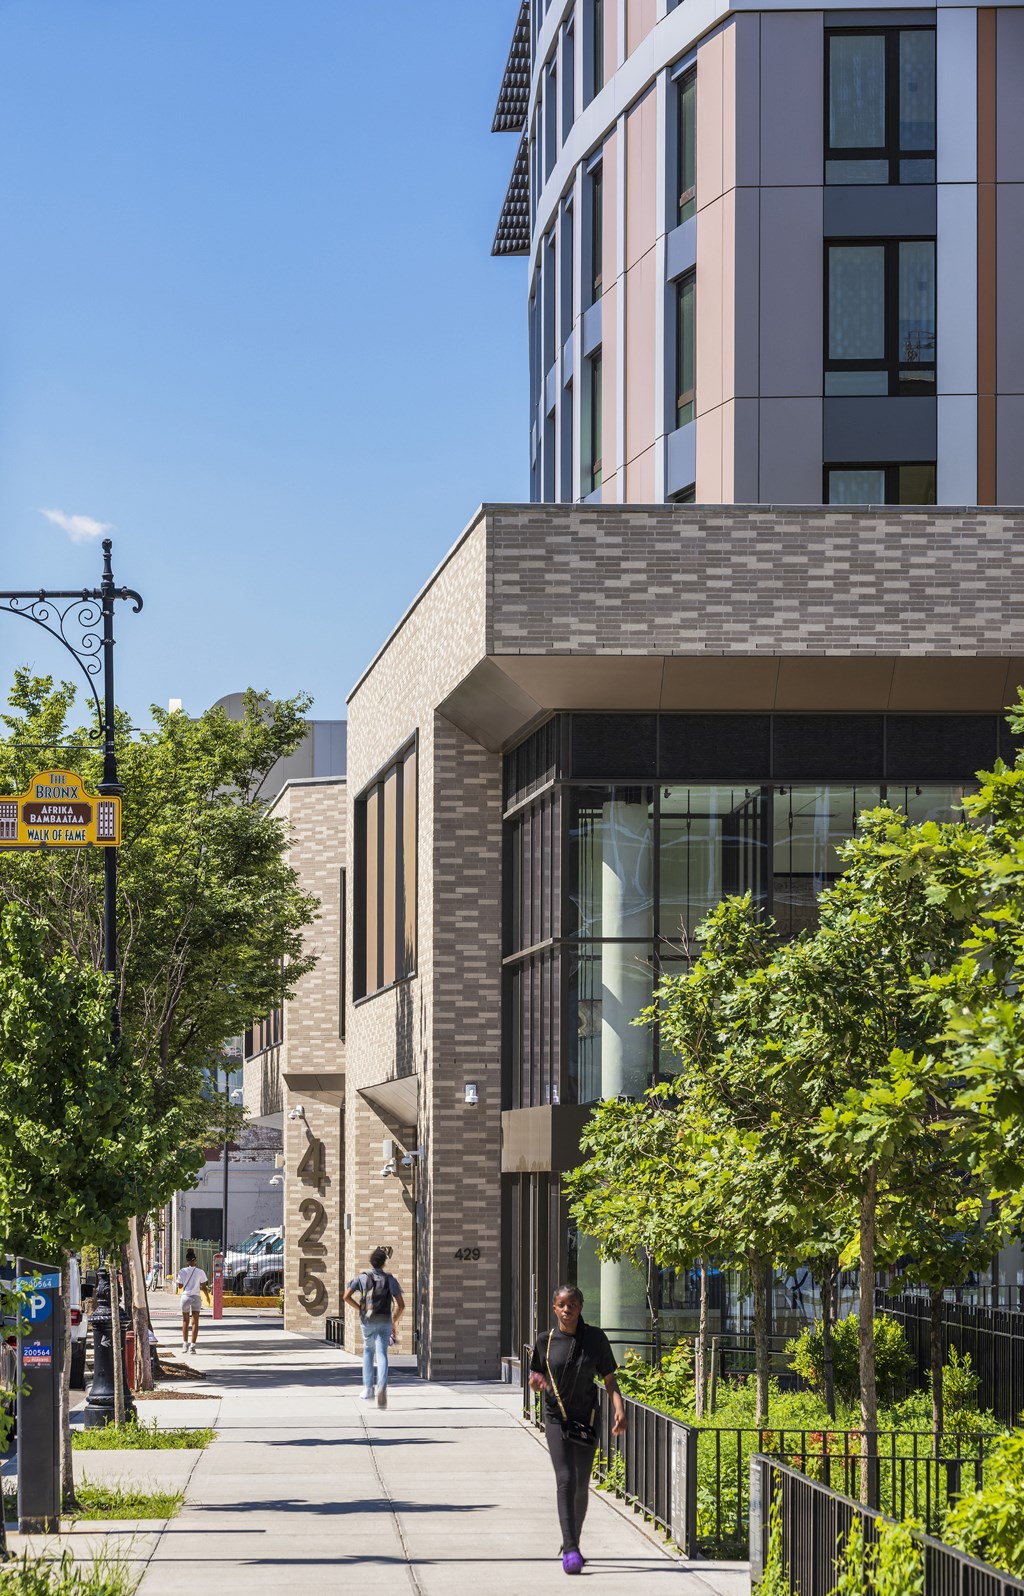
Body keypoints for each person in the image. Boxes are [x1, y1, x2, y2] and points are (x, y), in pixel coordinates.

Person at [529, 1284, 627, 1576]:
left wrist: (619, 1408)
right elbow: (536, 1374)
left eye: (572, 1304)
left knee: (582, 1485)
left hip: (587, 1419)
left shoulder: (595, 1339)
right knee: (566, 1478)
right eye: (561, 1304)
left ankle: (573, 1538)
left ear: (581, 1306)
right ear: (554, 1308)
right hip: (556, 1418)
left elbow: (609, 1379)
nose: (567, 1309)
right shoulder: (544, 1341)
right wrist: (536, 1383)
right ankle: (571, 1548)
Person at [343, 1246, 405, 1409]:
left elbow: (346, 1296)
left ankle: (368, 1389)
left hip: (367, 1320)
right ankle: (382, 1389)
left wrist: (360, 1309)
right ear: (384, 1263)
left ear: (371, 1262)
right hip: (385, 1320)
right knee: (382, 1353)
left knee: (368, 1351)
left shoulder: (362, 1278)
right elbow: (402, 1305)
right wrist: (393, 1321)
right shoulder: (390, 1280)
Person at [175, 1249, 211, 1355]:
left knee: (185, 1321)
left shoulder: (182, 1271)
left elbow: (180, 1286)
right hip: (196, 1297)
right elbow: (203, 1287)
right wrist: (207, 1297)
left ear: (187, 1261)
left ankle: (184, 1344)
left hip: (185, 1297)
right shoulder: (200, 1272)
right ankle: (193, 1346)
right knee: (195, 1322)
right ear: (195, 1260)